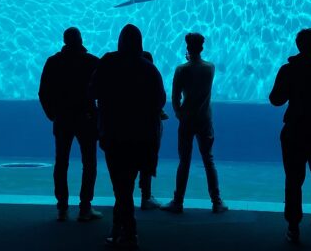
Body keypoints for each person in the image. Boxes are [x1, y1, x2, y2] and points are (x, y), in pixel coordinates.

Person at [90, 24, 166, 248]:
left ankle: (126, 229)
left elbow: (91, 91)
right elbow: (159, 101)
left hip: (113, 135)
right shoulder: (149, 69)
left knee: (120, 185)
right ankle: (123, 228)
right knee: (126, 184)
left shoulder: (108, 63)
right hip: (140, 137)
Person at [269, 28, 311, 243]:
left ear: (298, 45)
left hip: (295, 131)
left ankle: (293, 227)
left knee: (293, 180)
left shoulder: (288, 70)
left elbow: (276, 100)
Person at [38, 27, 102, 222]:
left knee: (61, 163)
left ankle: (62, 208)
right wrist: (97, 115)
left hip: (63, 119)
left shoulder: (54, 62)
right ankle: (85, 208)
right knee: (89, 163)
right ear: (80, 39)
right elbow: (103, 91)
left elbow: (43, 93)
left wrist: (53, 115)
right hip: (86, 119)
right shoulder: (92, 62)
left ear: (64, 41)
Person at [161, 33, 228, 214]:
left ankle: (178, 201)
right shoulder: (210, 68)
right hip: (205, 119)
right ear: (202, 47)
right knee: (208, 160)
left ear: (187, 48)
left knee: (184, 161)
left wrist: (178, 113)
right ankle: (217, 201)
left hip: (187, 120)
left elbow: (175, 97)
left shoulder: (181, 70)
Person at [137, 51, 168, 210]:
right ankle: (146, 196)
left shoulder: (130, 77)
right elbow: (160, 99)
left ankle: (126, 198)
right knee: (147, 160)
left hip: (130, 127)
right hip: (149, 128)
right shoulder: (153, 74)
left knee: (130, 163)